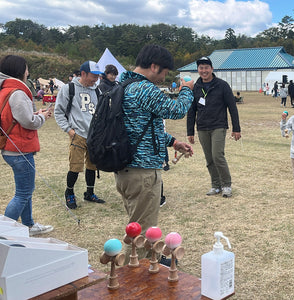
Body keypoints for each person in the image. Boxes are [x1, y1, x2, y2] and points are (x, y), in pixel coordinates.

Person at [115, 44, 194, 262]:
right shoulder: (143, 88)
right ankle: (139, 273)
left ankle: (153, 259)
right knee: (141, 229)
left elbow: (143, 128)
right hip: (142, 170)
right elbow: (176, 110)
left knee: (138, 222)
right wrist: (186, 89)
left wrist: (174, 142)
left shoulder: (123, 85)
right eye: (165, 73)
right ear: (154, 66)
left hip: (126, 169)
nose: (163, 78)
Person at [0, 55, 54, 236]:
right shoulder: (17, 92)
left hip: (12, 148)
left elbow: (17, 116)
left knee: (25, 190)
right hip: (19, 149)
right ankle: (5, 233)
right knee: (23, 192)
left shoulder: (6, 90)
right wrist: (42, 117)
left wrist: (34, 114)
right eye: (26, 68)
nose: (28, 72)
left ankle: (28, 225)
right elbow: (28, 122)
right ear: (20, 70)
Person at [187, 56, 241, 198]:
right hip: (202, 127)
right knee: (209, 158)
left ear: (212, 69)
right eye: (201, 68)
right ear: (198, 70)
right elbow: (191, 110)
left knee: (217, 156)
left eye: (206, 67)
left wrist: (237, 128)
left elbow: (232, 108)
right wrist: (190, 131)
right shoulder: (196, 87)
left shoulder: (222, 85)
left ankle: (226, 185)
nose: (204, 70)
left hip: (218, 125)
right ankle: (215, 185)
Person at [55, 61, 106, 209]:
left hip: (94, 136)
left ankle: (89, 192)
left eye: (98, 76)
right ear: (83, 74)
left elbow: (101, 113)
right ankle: (69, 193)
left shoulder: (97, 91)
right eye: (93, 76)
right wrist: (69, 130)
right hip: (77, 134)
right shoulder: (69, 88)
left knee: (92, 165)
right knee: (75, 167)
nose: (96, 79)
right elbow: (59, 112)